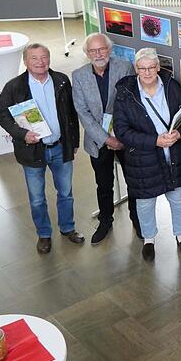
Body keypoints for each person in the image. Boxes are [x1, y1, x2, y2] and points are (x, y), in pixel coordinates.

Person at [0, 43, 84, 253]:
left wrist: (74, 143)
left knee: (66, 193)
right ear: (26, 62)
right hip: (33, 151)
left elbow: (72, 114)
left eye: (44, 57)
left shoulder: (61, 80)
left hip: (61, 147)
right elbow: (2, 114)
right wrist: (22, 134)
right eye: (34, 58)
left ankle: (68, 228)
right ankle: (44, 235)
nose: (40, 62)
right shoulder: (14, 87)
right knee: (37, 198)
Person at [112, 48, 181, 261]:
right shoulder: (125, 94)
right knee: (145, 202)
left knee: (178, 199)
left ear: (158, 68)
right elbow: (122, 131)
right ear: (136, 69)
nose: (148, 72)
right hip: (143, 159)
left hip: (173, 155)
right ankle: (149, 240)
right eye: (143, 68)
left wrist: (180, 133)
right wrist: (154, 141)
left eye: (152, 67)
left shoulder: (171, 86)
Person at [72, 33, 140, 244]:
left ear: (109, 50)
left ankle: (137, 219)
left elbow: (132, 103)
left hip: (125, 137)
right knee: (103, 183)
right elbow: (83, 113)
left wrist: (120, 135)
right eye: (93, 51)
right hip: (97, 140)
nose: (98, 54)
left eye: (102, 49)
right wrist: (106, 139)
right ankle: (105, 220)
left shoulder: (125, 67)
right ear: (87, 53)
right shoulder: (79, 75)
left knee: (134, 181)